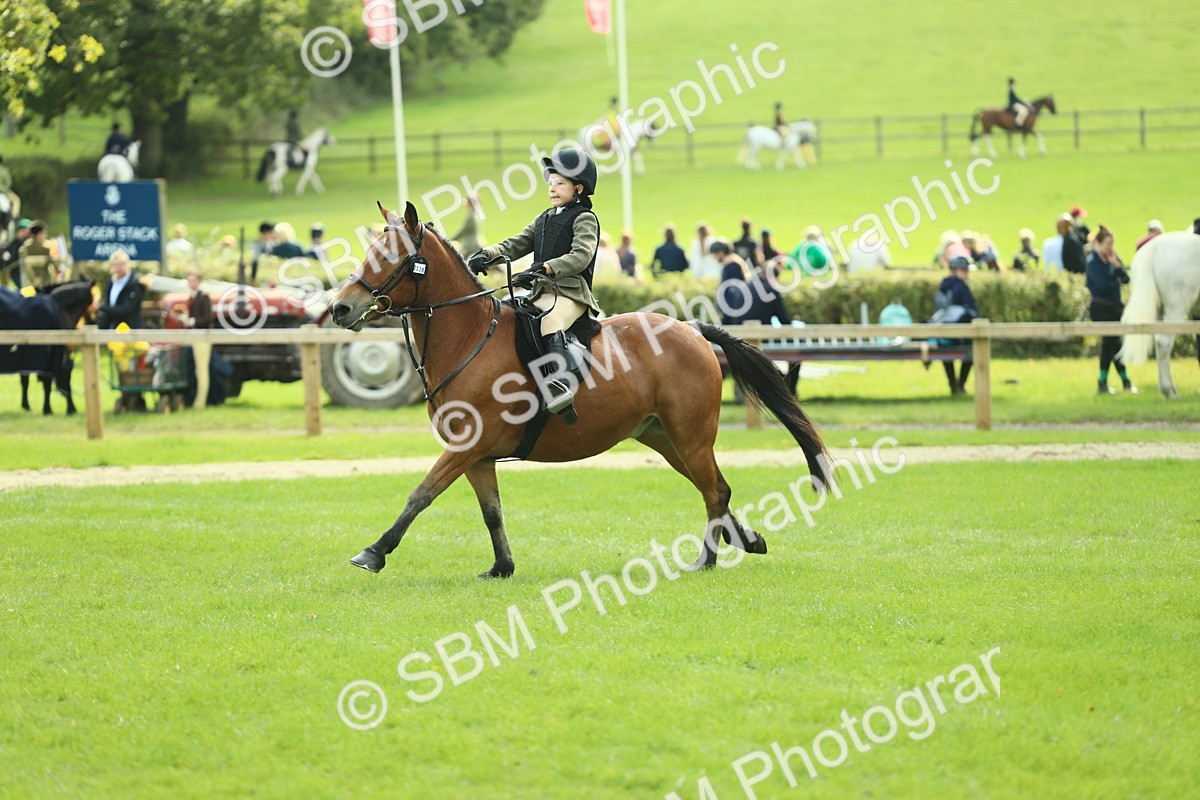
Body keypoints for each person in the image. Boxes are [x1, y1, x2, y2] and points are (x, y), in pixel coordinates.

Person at [468, 148, 602, 421]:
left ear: (578, 188)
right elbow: (516, 243)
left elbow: (581, 255)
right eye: (550, 183)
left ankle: (559, 386)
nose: (552, 188)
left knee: (549, 322)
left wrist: (547, 267)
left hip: (571, 294)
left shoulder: (584, 218)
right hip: (543, 292)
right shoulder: (544, 218)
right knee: (507, 316)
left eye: (559, 183)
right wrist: (488, 254)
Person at [1085, 228, 1136, 394]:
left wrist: (1116, 267)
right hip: (1101, 308)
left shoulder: (1112, 259)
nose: (1110, 247)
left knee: (1115, 345)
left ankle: (1115, 382)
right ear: (1098, 243)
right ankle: (1114, 382)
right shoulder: (1093, 262)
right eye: (1108, 244)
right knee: (1110, 344)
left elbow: (1126, 279)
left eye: (1112, 243)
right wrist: (1115, 279)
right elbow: (1101, 286)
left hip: (1115, 307)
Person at [932, 256, 979, 394]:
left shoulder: (943, 286)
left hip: (944, 333)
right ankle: (960, 385)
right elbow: (972, 311)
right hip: (961, 334)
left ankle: (953, 384)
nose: (966, 273)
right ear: (955, 270)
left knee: (946, 354)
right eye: (964, 270)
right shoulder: (961, 287)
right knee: (972, 352)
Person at [97, 250, 144, 329]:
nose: (119, 268)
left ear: (128, 264)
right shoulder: (111, 282)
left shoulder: (135, 283)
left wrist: (102, 306)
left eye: (122, 264)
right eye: (116, 265)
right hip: (112, 326)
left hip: (129, 328)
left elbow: (126, 309)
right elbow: (109, 302)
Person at [711, 240, 753, 325]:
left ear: (721, 252)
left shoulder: (733, 266)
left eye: (715, 254)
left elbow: (734, 290)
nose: (714, 257)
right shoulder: (733, 263)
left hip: (733, 309)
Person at [19, 221, 57, 287]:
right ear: (38, 234)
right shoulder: (48, 247)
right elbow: (55, 263)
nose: (45, 235)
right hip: (45, 282)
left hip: (31, 282)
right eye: (43, 233)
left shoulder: (25, 247)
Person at [1, 218, 31, 288]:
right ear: (23, 230)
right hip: (16, 272)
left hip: (21, 271)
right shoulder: (17, 242)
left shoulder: (21, 241)